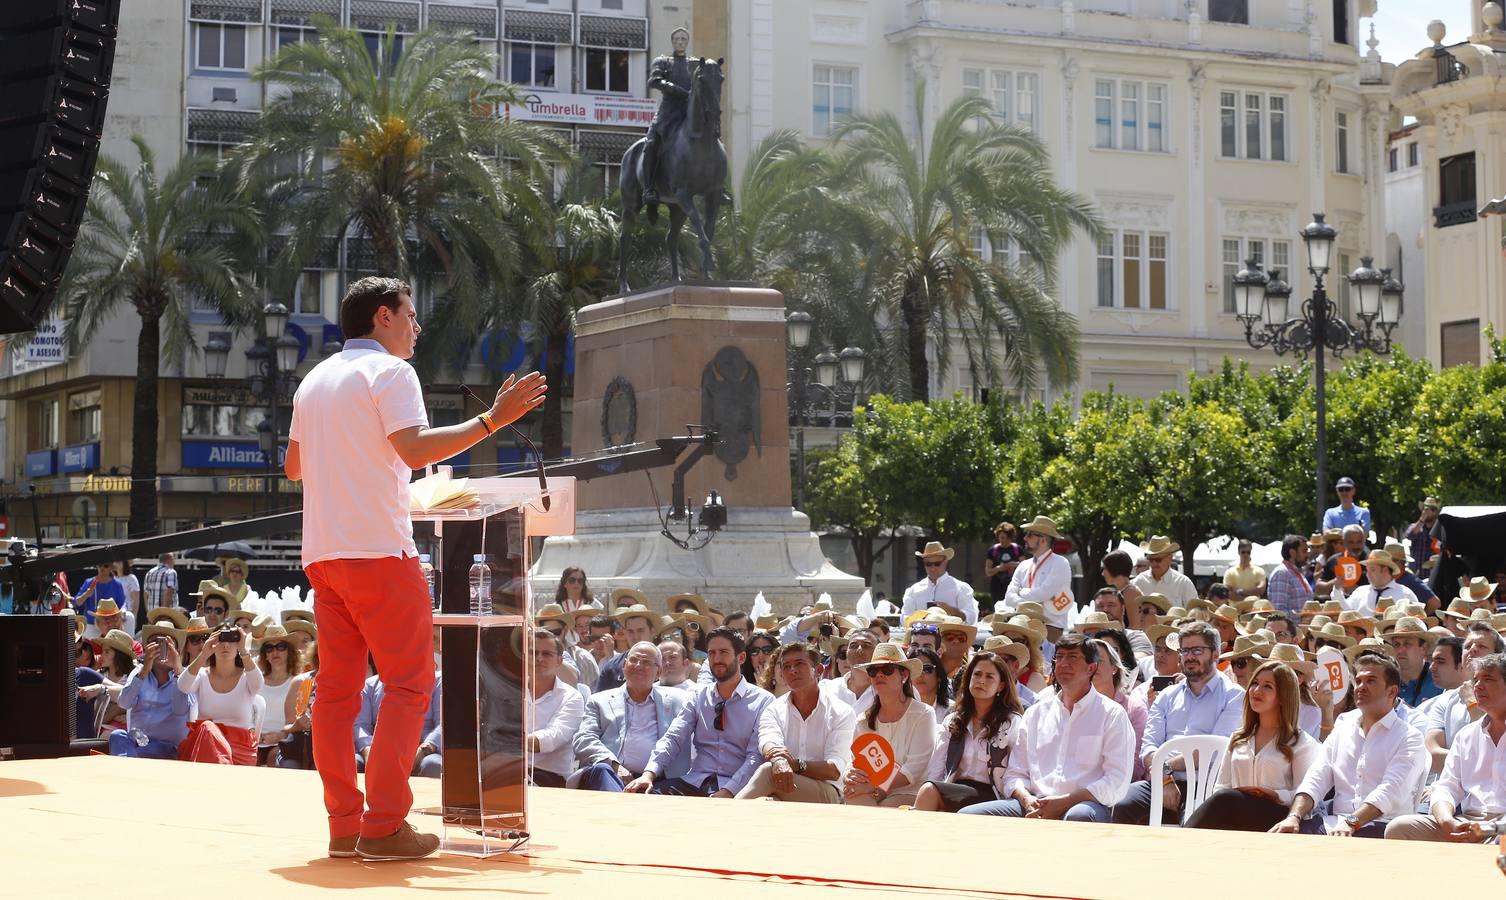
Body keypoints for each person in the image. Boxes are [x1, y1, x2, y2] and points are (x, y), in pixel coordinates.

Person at [285, 276, 546, 861]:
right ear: (383, 317)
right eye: (410, 314)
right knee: (408, 686)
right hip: (378, 551)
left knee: (336, 696)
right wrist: (494, 421)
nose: (417, 327)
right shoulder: (392, 374)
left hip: (325, 556)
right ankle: (382, 825)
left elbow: (294, 467)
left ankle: (343, 825)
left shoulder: (313, 380)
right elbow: (415, 451)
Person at [960, 635, 1135, 821]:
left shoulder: (1112, 714)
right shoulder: (1036, 714)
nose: (1064, 663)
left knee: (1079, 815)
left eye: (1073, 657)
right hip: (1033, 803)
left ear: (1091, 668)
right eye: (1059, 657)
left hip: (1084, 804)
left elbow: (1116, 781)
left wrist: (1064, 802)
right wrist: (1026, 799)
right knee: (969, 816)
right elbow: (1015, 773)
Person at [1272, 651, 1425, 837]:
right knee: (1287, 834)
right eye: (1359, 681)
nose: (1361, 687)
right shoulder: (1344, 725)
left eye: (1370, 681)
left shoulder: (1409, 737)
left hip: (1383, 828)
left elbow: (1391, 791)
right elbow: (1317, 775)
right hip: (1336, 823)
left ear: (1392, 691)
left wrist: (1352, 823)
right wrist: (1294, 816)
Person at [1114, 622, 1244, 825]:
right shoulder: (1166, 695)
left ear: (1216, 654)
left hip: (1204, 785)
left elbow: (1213, 752)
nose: (1190, 657)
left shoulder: (1233, 696)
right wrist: (1165, 778)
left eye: (1197, 650)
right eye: (1184, 651)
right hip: (1161, 781)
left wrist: (1164, 767)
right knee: (1121, 804)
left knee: (1192, 825)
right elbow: (1149, 746)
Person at [626, 627, 773, 797]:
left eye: (723, 652)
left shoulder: (763, 701)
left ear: (741, 657)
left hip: (738, 788)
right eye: (711, 653)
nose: (717, 659)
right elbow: (674, 737)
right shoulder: (698, 695)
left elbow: (755, 757)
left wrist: (728, 791)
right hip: (694, 782)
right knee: (642, 796)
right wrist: (648, 774)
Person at [1184, 661, 1323, 831]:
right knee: (1224, 798)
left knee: (1225, 799)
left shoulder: (1300, 742)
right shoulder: (1239, 737)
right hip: (1236, 813)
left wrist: (1275, 794)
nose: (1257, 690)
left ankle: (1185, 838)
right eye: (1255, 683)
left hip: (1279, 817)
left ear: (1283, 696)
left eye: (1267, 686)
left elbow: (1306, 793)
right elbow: (1222, 786)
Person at [1387, 652, 1506, 841]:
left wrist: (1490, 829)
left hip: (1502, 828)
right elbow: (1446, 787)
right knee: (1399, 828)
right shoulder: (1467, 735)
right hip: (1468, 822)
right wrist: (1448, 821)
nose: (1478, 686)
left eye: (1488, 679)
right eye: (1475, 680)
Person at [737, 643, 855, 803]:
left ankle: (725, 817)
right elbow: (768, 740)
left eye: (799, 664)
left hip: (829, 794)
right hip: (785, 784)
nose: (792, 670)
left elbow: (835, 770)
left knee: (768, 772)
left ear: (818, 670)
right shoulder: (774, 709)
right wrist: (779, 760)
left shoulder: (841, 711)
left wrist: (797, 765)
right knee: (766, 802)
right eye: (786, 667)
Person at [914, 651, 1024, 812]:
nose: (981, 681)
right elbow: (936, 768)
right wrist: (933, 788)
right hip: (955, 789)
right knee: (928, 789)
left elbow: (1016, 769)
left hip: (994, 793)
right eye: (977, 674)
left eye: (989, 677)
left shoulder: (1012, 722)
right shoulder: (953, 719)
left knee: (929, 791)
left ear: (1001, 685)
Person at [574, 642, 691, 791]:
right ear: (624, 665)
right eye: (633, 660)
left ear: (658, 672)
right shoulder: (599, 701)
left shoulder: (679, 700)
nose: (638, 666)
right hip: (611, 776)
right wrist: (614, 765)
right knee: (602, 769)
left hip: (660, 780)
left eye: (646, 662)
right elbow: (583, 739)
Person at [842, 643, 939, 808]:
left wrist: (873, 786)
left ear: (904, 675)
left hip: (910, 792)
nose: (879, 675)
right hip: (871, 788)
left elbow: (914, 770)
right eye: (873, 671)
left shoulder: (923, 714)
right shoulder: (863, 721)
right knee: (853, 797)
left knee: (884, 808)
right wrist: (850, 775)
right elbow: (854, 761)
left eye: (887, 670)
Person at [176, 626, 264, 766]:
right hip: (205, 745)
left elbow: (259, 685)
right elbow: (183, 686)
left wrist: (244, 651)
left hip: (239, 750)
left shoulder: (247, 676)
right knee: (207, 727)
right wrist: (203, 654)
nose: (226, 645)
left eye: (232, 639)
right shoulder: (203, 675)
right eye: (221, 639)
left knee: (207, 728)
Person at [108, 623, 192, 759]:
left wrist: (177, 672)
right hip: (137, 742)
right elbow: (123, 703)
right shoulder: (139, 672)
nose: (161, 648)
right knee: (117, 735)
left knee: (141, 752)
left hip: (167, 747)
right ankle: (129, 763)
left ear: (177, 651)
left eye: (167, 644)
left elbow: (180, 709)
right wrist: (143, 672)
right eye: (156, 643)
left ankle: (126, 764)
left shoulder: (185, 676)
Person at [526, 629, 585, 787]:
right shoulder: (510, 690)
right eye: (533, 652)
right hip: (507, 770)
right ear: (525, 657)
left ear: (559, 661)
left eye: (547, 654)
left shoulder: (572, 697)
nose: (539, 658)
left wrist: (508, 742)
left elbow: (553, 737)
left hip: (548, 777)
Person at [1004, 516, 1074, 640]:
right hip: (1021, 626)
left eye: (1030, 535)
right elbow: (1008, 598)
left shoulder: (1060, 563)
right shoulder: (1023, 565)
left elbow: (1044, 594)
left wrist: (1021, 593)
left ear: (1043, 540)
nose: (1025, 538)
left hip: (1049, 628)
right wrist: (1035, 601)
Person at [255, 625, 302, 766]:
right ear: (265, 655)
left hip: (285, 744)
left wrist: (280, 735)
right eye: (269, 648)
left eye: (281, 646)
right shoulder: (256, 680)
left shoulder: (298, 681)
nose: (275, 651)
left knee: (274, 756)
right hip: (254, 743)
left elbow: (300, 722)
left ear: (289, 651)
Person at [900, 542, 978, 624]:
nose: (933, 568)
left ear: (945, 562)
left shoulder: (961, 588)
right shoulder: (913, 590)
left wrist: (953, 611)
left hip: (950, 635)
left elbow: (972, 616)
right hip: (921, 635)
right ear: (924, 564)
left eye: (937, 564)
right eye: (928, 564)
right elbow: (905, 617)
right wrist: (919, 618)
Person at [597, 605, 661, 692]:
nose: (635, 636)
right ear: (625, 632)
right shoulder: (612, 666)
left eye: (640, 630)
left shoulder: (667, 663)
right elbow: (600, 699)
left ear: (652, 631)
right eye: (630, 631)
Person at [1335, 550, 1417, 617]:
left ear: (1385, 570)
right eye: (1367, 570)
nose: (1368, 574)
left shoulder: (1405, 594)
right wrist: (1337, 589)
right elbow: (1345, 611)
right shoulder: (1360, 592)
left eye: (1372, 570)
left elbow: (1415, 620)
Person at [1384, 617, 1442, 708]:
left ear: (1424, 648)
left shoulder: (1440, 681)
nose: (1400, 650)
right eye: (1396, 644)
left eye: (1407, 644)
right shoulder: (1384, 682)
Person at [1132, 536, 1198, 609]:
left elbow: (1194, 614)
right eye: (1150, 559)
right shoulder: (1138, 582)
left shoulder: (1184, 583)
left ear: (1170, 558)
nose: (1153, 564)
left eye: (1158, 560)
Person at [1092, 587, 1153, 660]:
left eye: (1111, 605)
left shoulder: (1135, 637)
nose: (1105, 609)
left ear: (1123, 609)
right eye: (1100, 606)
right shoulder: (1088, 638)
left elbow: (1139, 661)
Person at [824, 628, 877, 712]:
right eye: (853, 645)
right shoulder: (827, 688)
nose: (859, 649)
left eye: (866, 645)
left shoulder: (886, 691)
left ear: (877, 652)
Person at [73, 563, 128, 637]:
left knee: (130, 616)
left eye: (105, 566)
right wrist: (86, 594)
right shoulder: (89, 582)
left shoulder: (117, 584)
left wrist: (123, 612)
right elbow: (76, 603)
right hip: (91, 624)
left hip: (110, 626)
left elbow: (123, 604)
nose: (102, 568)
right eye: (99, 565)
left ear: (110, 567)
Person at [1266, 535, 1313, 619]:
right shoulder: (1282, 573)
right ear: (1292, 552)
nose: (1307, 555)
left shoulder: (1297, 572)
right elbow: (1279, 611)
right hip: (1292, 631)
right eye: (1304, 551)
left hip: (1302, 630)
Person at [908, 646, 950, 724]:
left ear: (939, 676)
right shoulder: (899, 711)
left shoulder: (952, 711)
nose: (920, 674)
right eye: (915, 670)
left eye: (927, 669)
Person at [1099, 550, 1145, 622]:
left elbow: (1135, 625)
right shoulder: (1123, 591)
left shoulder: (1130, 592)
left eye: (1105, 569)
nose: (1103, 573)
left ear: (1114, 568)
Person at [985, 522, 1023, 608]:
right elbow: (988, 571)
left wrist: (1013, 565)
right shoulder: (993, 551)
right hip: (997, 588)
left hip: (1014, 588)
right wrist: (999, 568)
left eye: (1007, 538)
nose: (1004, 540)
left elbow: (1024, 566)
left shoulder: (1017, 549)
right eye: (1002, 537)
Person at [1405, 497, 1440, 576]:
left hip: (1432, 574)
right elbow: (1410, 536)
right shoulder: (1416, 526)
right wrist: (1422, 518)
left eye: (1432, 509)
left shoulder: (1439, 528)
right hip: (1416, 573)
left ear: (1436, 512)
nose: (1428, 511)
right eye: (1426, 508)